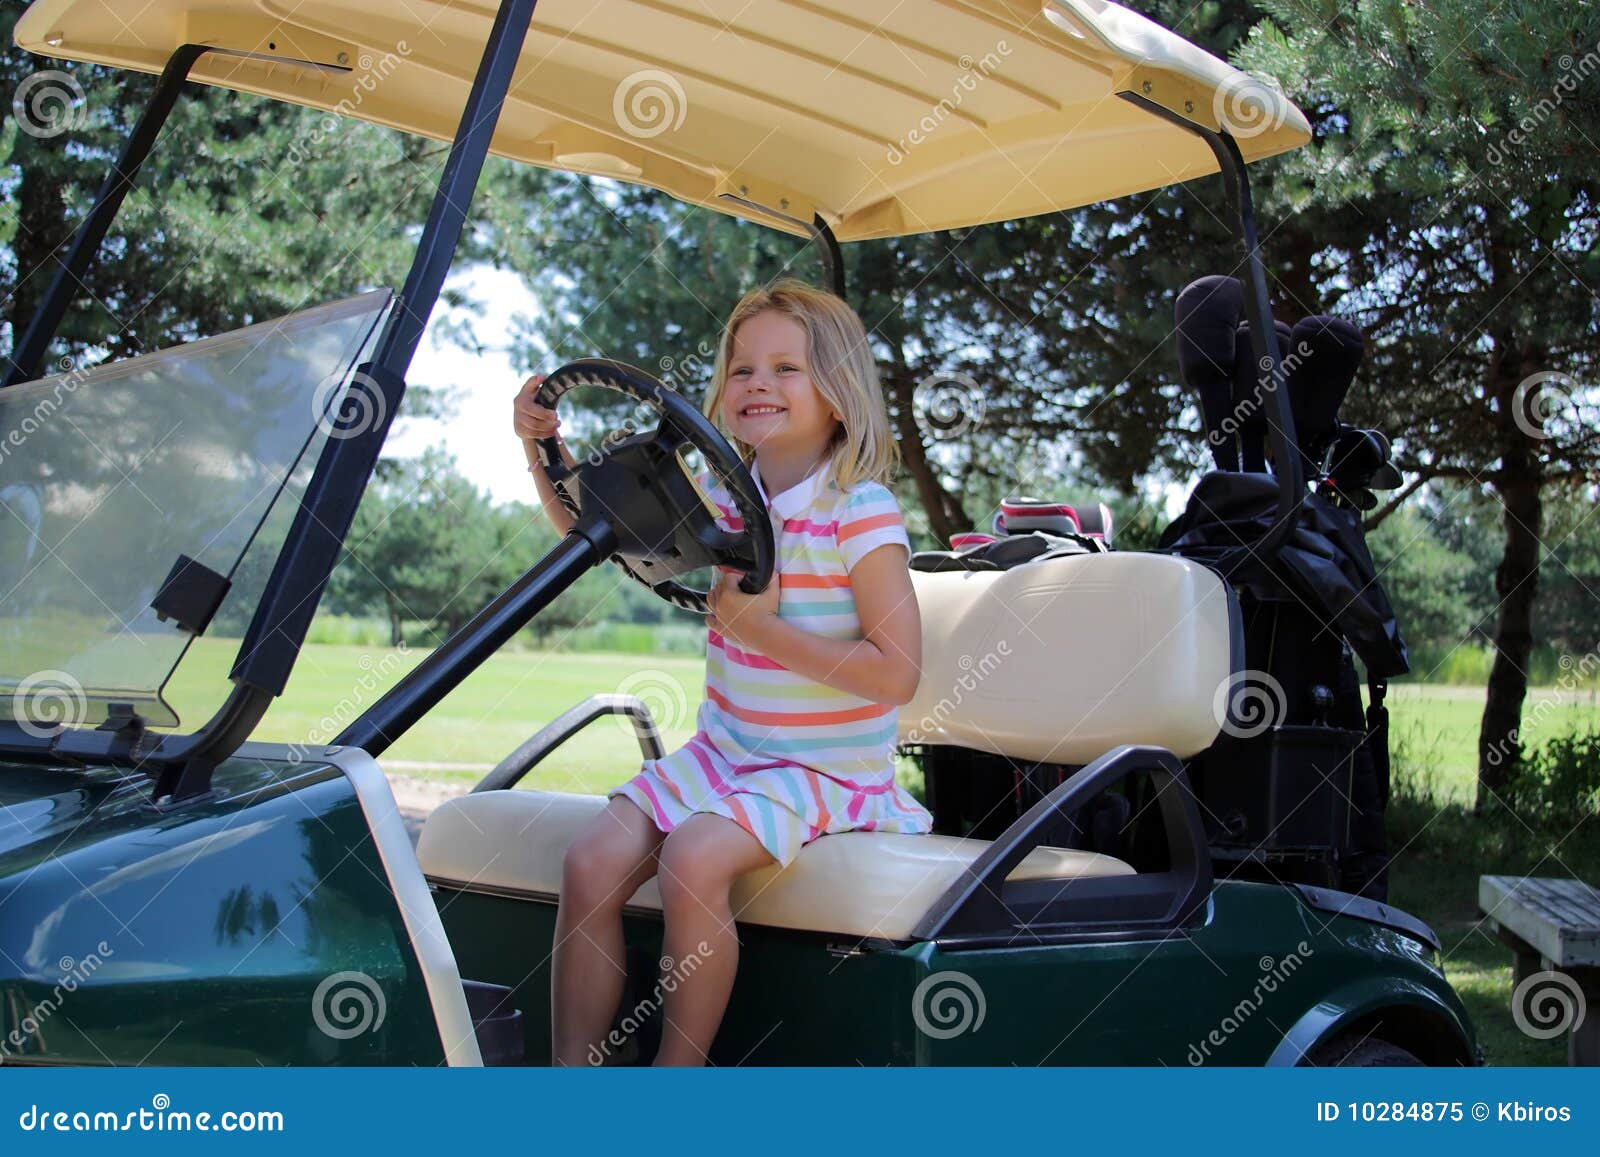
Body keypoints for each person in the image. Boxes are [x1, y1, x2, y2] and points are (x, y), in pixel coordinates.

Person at [511, 279, 930, 1066]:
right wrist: (543, 448)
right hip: (726, 756)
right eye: (741, 370)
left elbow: (898, 671)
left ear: (838, 394)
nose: (757, 384)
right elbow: (589, 527)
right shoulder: (724, 500)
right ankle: (571, 1080)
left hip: (823, 768)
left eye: (785, 369)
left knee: (694, 855)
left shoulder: (858, 509)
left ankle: (679, 1081)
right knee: (591, 858)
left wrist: (762, 632)